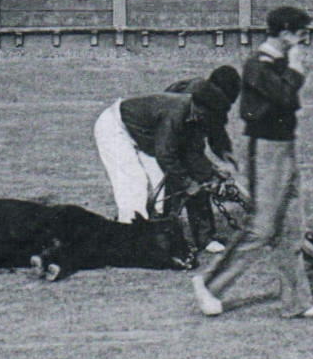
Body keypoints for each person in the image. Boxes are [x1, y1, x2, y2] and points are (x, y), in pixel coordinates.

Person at [194, 6, 313, 319]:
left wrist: (291, 76)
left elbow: (287, 98)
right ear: (284, 33)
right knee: (262, 227)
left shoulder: (276, 63)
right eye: (299, 32)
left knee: (291, 229)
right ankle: (210, 284)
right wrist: (296, 73)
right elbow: (285, 98)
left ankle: (298, 302)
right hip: (266, 151)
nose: (303, 39)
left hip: (284, 147)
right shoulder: (257, 65)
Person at [94, 69, 237, 251]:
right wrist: (188, 184)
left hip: (144, 135)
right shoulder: (176, 112)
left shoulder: (194, 116)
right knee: (133, 183)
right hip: (115, 128)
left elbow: (192, 154)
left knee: (160, 189)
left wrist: (212, 171)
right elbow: (166, 155)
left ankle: (165, 236)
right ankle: (130, 242)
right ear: (199, 107)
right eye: (206, 115)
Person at [166, 65, 245, 253]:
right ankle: (169, 234)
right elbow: (189, 149)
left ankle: (203, 237)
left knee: (198, 177)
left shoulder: (216, 98)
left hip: (183, 140)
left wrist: (226, 154)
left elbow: (217, 130)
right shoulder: (190, 98)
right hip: (169, 137)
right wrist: (210, 170)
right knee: (183, 181)